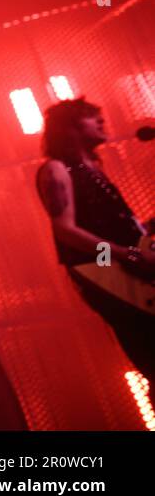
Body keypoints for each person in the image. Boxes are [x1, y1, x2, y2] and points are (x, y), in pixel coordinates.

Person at [34, 98, 155, 385]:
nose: (101, 121)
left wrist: (146, 229)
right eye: (90, 116)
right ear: (69, 128)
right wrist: (127, 255)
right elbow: (65, 230)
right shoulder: (57, 169)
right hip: (105, 271)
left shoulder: (91, 169)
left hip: (125, 265)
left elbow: (116, 227)